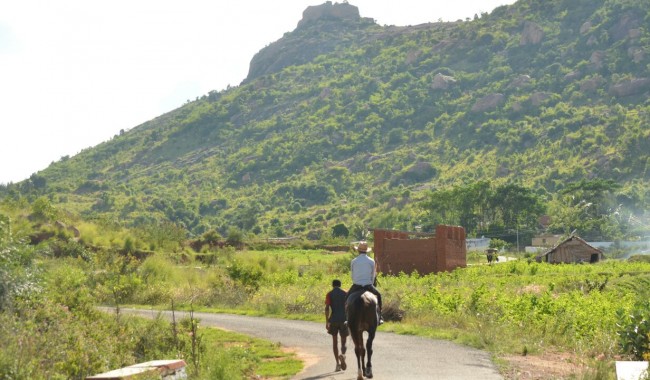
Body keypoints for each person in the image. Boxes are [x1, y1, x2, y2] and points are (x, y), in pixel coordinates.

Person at [347, 241, 383, 325]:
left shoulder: (354, 261)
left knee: (346, 298)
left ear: (358, 251)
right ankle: (380, 316)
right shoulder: (371, 261)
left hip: (356, 285)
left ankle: (347, 318)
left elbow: (352, 275)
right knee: (379, 296)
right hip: (368, 285)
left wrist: (357, 280)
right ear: (366, 251)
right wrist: (369, 282)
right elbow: (373, 276)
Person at [325, 279, 348, 372]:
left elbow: (327, 308)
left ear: (332, 285)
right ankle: (342, 355)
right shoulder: (346, 293)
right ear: (340, 285)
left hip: (333, 320)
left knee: (335, 342)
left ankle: (337, 364)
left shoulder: (329, 294)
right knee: (344, 341)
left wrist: (327, 321)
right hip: (344, 320)